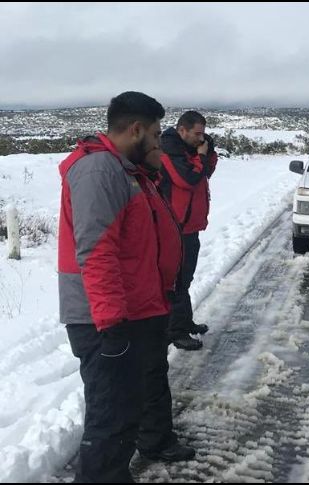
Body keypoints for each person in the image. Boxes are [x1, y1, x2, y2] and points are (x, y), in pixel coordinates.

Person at [59, 91, 194, 483]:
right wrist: (111, 323)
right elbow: (96, 250)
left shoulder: (128, 170)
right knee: (111, 417)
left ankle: (135, 455)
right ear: (136, 129)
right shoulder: (99, 171)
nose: (160, 142)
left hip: (137, 309)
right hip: (107, 320)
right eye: (155, 134)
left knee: (129, 407)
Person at [158, 111, 218, 351]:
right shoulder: (169, 151)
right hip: (175, 229)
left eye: (203, 134)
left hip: (190, 228)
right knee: (177, 282)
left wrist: (208, 152)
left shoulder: (188, 150)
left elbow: (206, 172)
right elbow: (188, 179)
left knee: (185, 279)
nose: (200, 138)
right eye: (197, 134)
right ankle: (176, 332)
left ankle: (184, 322)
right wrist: (201, 156)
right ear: (182, 130)